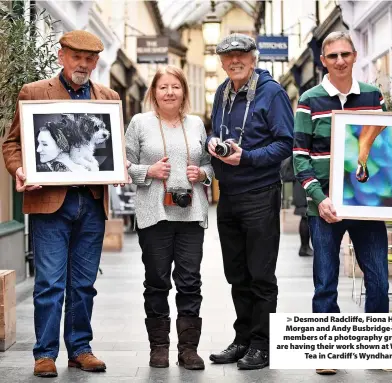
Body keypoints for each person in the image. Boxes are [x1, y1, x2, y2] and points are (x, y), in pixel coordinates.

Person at [292, 31, 392, 376]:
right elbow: (300, 158)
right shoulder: (309, 100)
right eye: (332, 55)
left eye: (345, 55)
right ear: (323, 60)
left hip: (366, 206)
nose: (339, 61)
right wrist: (318, 199)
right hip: (325, 208)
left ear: (354, 56)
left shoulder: (372, 95)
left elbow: (381, 141)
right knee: (325, 281)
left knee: (379, 278)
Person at [2, 30, 120, 378]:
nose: (82, 64)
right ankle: (45, 353)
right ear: (61, 57)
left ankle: (80, 348)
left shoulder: (108, 98)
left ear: (96, 62)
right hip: (51, 203)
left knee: (83, 284)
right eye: (76, 57)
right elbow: (12, 144)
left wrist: (118, 164)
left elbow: (110, 150)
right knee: (50, 283)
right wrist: (21, 168)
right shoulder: (35, 92)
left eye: (89, 59)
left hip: (92, 203)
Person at [207, 34, 294, 370]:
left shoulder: (272, 93)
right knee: (236, 273)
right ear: (222, 62)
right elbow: (215, 130)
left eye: (241, 55)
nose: (235, 61)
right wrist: (214, 144)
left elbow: (285, 144)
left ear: (254, 58)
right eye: (228, 57)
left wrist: (247, 158)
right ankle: (242, 338)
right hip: (228, 196)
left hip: (260, 194)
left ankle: (262, 344)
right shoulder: (222, 93)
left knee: (260, 274)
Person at [125, 65, 213, 371]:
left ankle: (188, 349)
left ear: (184, 92)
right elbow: (122, 164)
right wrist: (146, 172)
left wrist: (201, 173)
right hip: (153, 213)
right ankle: (159, 348)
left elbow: (209, 165)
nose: (170, 92)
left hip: (191, 214)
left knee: (190, 281)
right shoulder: (139, 123)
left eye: (175, 87)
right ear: (153, 92)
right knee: (157, 281)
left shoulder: (197, 124)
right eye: (163, 87)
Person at [280, 157, 313, 257]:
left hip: (298, 184)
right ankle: (304, 247)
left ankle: (305, 247)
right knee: (305, 216)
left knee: (305, 216)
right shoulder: (298, 149)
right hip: (302, 184)